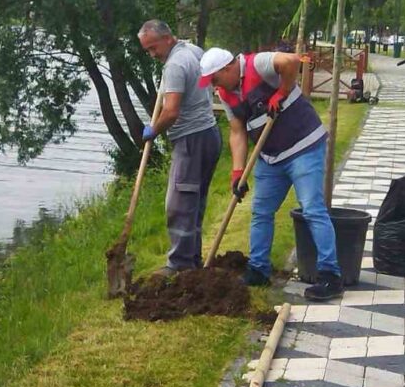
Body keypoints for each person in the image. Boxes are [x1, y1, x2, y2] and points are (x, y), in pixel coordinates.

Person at [198, 47, 343, 301]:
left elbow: (291, 61)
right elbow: (237, 132)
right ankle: (259, 270)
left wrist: (282, 92)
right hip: (270, 157)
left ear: (228, 68)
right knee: (261, 212)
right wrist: (238, 172)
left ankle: (330, 275)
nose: (213, 86)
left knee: (311, 208)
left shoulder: (258, 64)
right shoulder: (226, 93)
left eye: (215, 79)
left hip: (303, 147)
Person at [137, 20, 222, 276]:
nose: (153, 55)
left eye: (153, 48)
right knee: (194, 201)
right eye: (148, 51)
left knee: (179, 204)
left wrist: (154, 129)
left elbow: (171, 111)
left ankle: (179, 264)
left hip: (191, 139)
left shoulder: (175, 64)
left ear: (166, 38)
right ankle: (192, 260)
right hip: (209, 135)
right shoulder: (194, 51)